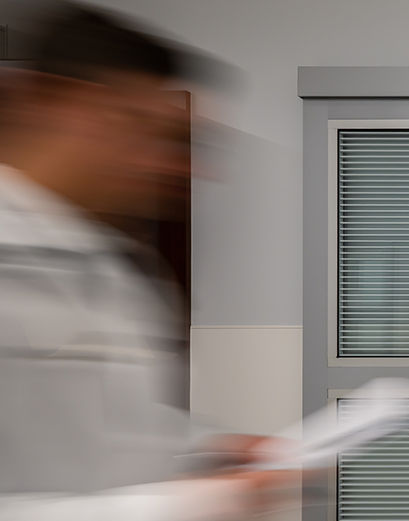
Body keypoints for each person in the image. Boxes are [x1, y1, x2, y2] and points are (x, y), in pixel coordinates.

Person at [0, 4, 294, 520]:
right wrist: (185, 506)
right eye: (143, 128)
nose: (181, 166)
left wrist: (211, 447)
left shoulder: (119, 270)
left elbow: (108, 423)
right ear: (54, 103)